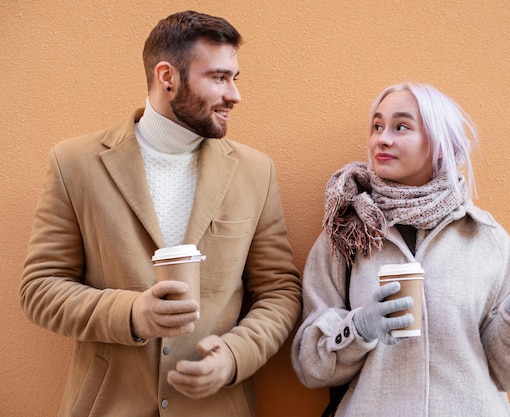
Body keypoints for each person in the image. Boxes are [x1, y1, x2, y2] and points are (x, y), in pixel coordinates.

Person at [19, 10, 301, 417]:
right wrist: (131, 314)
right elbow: (40, 289)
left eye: (234, 78)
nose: (235, 95)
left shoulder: (256, 172)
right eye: (219, 77)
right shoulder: (74, 163)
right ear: (167, 76)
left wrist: (235, 356)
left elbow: (279, 292)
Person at [291, 82, 510, 416]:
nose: (382, 139)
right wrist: (358, 328)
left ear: (440, 145)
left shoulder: (486, 237)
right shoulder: (347, 233)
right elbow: (310, 366)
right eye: (377, 126)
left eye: (401, 127)